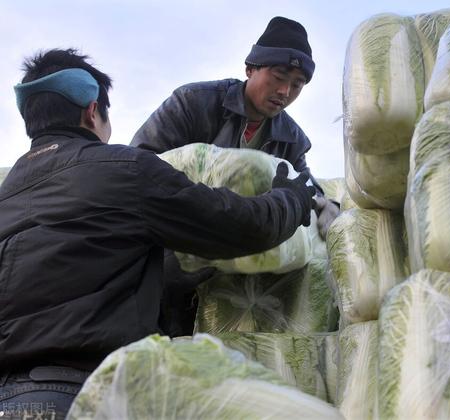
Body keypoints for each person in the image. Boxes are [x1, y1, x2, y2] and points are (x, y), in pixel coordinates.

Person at [0, 48, 315, 419]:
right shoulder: (123, 170)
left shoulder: (7, 196)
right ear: (91, 111)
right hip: (87, 396)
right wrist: (290, 200)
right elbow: (239, 225)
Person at [131, 16, 340, 239]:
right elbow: (137, 164)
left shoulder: (293, 140)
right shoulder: (193, 103)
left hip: (247, 251)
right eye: (279, 76)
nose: (285, 91)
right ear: (250, 69)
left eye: (297, 85)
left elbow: (304, 183)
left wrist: (326, 204)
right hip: (176, 237)